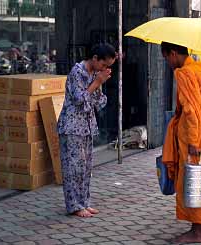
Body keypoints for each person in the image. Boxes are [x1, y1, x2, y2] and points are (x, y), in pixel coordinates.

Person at [161, 42, 201, 243]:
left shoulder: (186, 73)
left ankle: (197, 233)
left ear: (172, 53)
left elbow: (192, 110)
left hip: (199, 137)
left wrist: (194, 141)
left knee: (197, 182)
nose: (167, 63)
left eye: (166, 58)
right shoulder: (200, 68)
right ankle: (197, 228)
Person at [57, 43, 116, 218]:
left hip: (87, 127)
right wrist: (97, 82)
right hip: (71, 127)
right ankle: (74, 206)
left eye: (108, 67)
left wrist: (98, 83)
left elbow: (100, 102)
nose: (105, 69)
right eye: (104, 65)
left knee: (85, 167)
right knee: (72, 168)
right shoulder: (77, 72)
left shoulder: (94, 75)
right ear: (95, 58)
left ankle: (84, 202)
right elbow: (79, 99)